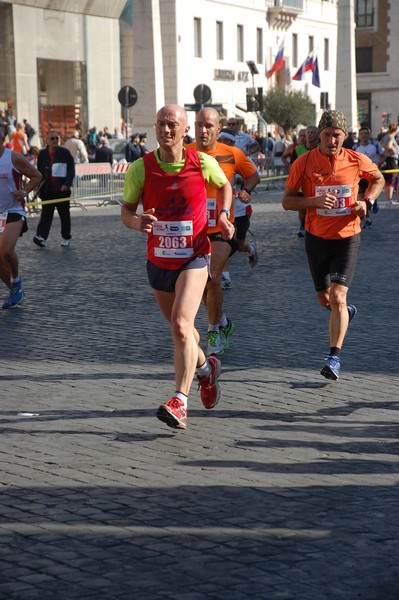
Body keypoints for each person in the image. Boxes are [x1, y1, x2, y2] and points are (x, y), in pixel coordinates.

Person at [122, 104, 233, 430]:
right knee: (181, 331)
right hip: (158, 262)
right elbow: (127, 211)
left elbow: (225, 186)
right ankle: (206, 369)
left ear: (185, 130)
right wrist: (136, 222)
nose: (166, 130)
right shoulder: (141, 169)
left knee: (183, 325)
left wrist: (224, 215)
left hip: (194, 256)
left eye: (172, 125)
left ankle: (180, 401)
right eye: (160, 124)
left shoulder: (202, 162)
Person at [282, 109, 384, 381]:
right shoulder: (303, 163)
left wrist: (367, 202)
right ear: (319, 135)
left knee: (338, 296)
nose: (331, 141)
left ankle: (334, 357)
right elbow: (287, 201)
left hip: (347, 237)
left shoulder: (355, 159)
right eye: (326, 135)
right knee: (325, 300)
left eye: (336, 136)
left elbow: (378, 179)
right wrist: (311, 202)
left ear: (344, 136)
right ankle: (344, 314)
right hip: (316, 239)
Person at [187, 108, 260, 356]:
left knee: (212, 278)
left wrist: (246, 190)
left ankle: (213, 331)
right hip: (193, 229)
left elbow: (253, 176)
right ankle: (223, 321)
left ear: (218, 129)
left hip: (223, 226)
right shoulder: (185, 152)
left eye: (209, 126)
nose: (203, 130)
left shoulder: (232, 153)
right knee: (202, 286)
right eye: (199, 125)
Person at [0, 131, 42, 308]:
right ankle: (16, 291)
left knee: (6, 250)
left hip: (13, 210)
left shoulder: (13, 158)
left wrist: (24, 191)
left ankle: (16, 280)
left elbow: (37, 175)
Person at [33, 130, 75, 248]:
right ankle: (41, 236)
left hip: (62, 191)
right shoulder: (42, 154)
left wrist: (67, 184)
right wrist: (39, 187)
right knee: (46, 215)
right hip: (47, 190)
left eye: (57, 138)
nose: (55, 140)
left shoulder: (65, 153)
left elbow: (71, 170)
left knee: (64, 215)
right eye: (52, 138)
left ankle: (66, 237)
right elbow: (39, 171)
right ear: (46, 140)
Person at [289, 125, 319, 237]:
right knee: (302, 209)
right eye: (308, 132)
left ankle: (314, 227)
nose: (310, 134)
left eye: (312, 132)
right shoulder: (298, 150)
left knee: (316, 207)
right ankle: (302, 226)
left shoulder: (321, 148)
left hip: (318, 183)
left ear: (317, 135)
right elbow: (292, 167)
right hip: (302, 184)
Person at [353, 126, 383, 228]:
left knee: (368, 195)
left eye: (366, 133)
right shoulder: (355, 147)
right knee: (361, 198)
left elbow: (384, 155)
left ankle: (375, 200)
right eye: (362, 134)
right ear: (359, 136)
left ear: (369, 135)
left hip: (372, 175)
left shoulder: (375, 145)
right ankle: (368, 219)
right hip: (360, 176)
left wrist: (379, 163)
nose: (364, 135)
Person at [379, 123, 399, 203]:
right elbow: (389, 146)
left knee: (388, 181)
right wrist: (392, 151)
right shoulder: (390, 137)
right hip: (392, 160)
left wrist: (385, 152)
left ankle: (388, 200)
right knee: (391, 181)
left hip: (387, 160)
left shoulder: (385, 136)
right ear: (395, 130)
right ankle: (389, 200)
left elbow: (380, 143)